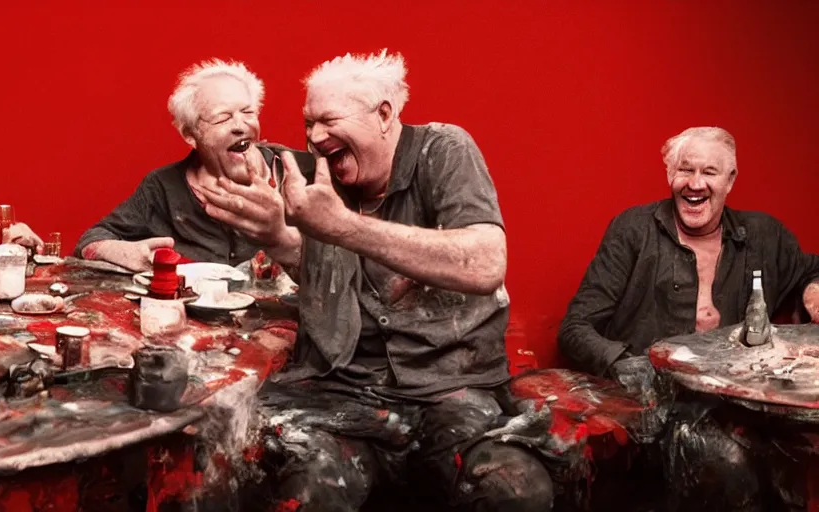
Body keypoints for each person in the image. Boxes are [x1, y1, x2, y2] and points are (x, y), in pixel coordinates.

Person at [220, 49, 553, 511]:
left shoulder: (444, 150)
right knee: (304, 489)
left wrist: (342, 227)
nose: (315, 137)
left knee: (514, 489)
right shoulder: (323, 180)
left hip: (451, 391)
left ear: (383, 114)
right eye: (308, 123)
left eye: (328, 120)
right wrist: (279, 238)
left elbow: (484, 264)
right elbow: (323, 273)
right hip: (341, 392)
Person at [558, 126, 819, 511]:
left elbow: (811, 270)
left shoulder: (764, 236)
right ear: (670, 176)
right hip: (652, 408)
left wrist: (813, 289)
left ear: (730, 180)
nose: (694, 184)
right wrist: (627, 366)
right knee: (725, 463)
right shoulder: (634, 230)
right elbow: (574, 328)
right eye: (685, 170)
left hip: (735, 404)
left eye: (709, 172)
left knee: (787, 463)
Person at [73, 59, 313, 271]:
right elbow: (90, 241)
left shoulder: (303, 174)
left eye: (248, 113)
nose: (241, 125)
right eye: (223, 117)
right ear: (191, 134)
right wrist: (127, 252)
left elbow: (344, 270)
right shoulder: (163, 187)